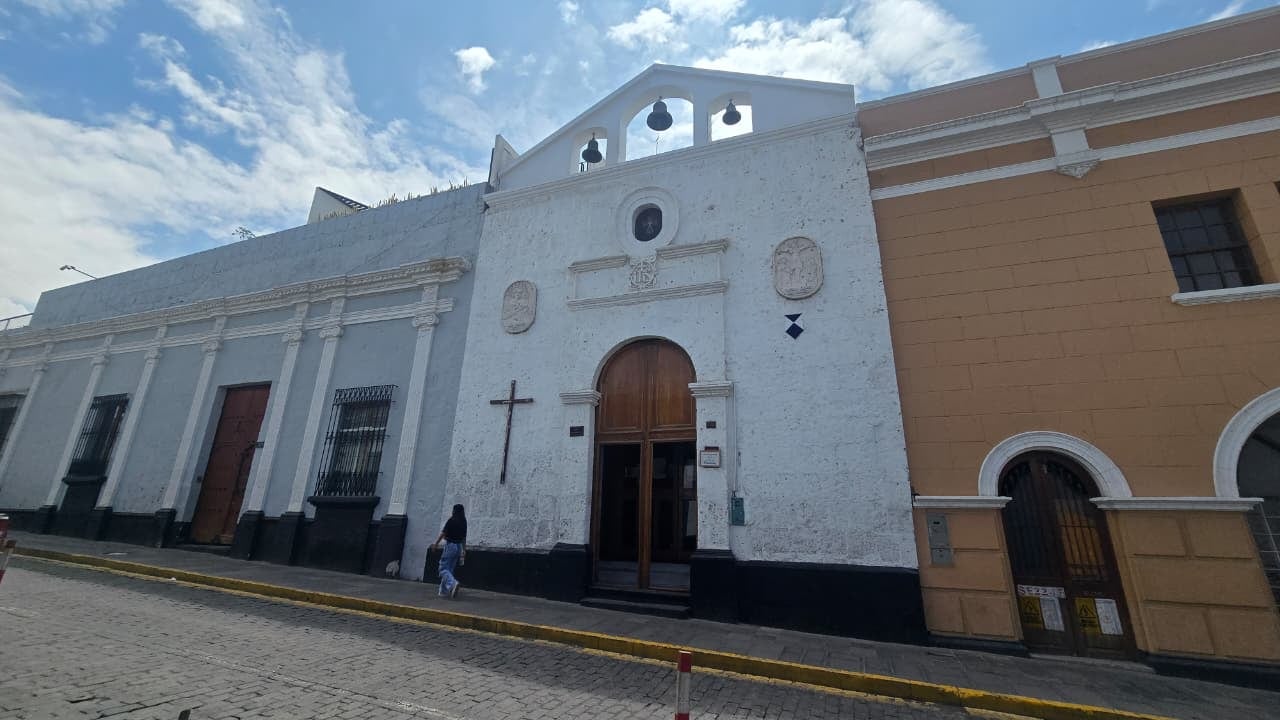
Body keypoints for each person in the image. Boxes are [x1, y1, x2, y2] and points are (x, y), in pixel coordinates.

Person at [431, 504, 467, 598]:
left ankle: (453, 583)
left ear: (454, 511)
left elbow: (443, 533)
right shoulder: (464, 521)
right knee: (449, 569)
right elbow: (464, 538)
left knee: (442, 569)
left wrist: (436, 544)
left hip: (450, 546)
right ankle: (443, 591)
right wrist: (464, 550)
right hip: (459, 547)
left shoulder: (451, 520)